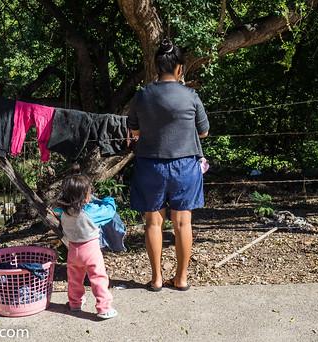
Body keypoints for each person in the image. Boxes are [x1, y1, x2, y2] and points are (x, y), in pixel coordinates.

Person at [128, 38, 210, 292]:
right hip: (185, 166)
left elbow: (133, 129)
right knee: (183, 224)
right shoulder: (191, 96)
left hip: (150, 166)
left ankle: (156, 279)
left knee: (153, 223)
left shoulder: (142, 95)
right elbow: (204, 131)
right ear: (179, 69)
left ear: (156, 68)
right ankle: (182, 279)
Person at [54, 173, 118, 319]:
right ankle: (104, 308)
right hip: (90, 250)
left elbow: (55, 209)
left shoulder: (63, 212)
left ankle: (75, 303)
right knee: (98, 278)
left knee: (74, 279)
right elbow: (109, 211)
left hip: (73, 250)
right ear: (85, 197)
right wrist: (109, 200)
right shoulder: (91, 212)